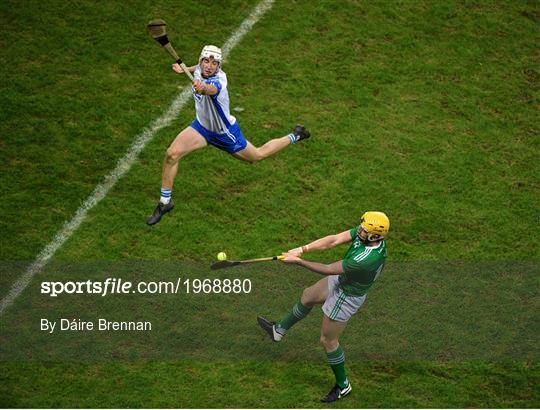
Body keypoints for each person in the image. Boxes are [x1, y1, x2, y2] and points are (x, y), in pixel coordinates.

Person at [147, 45, 310, 225]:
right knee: (172, 154)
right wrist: (185, 69)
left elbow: (210, 89)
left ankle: (296, 135)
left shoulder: (219, 82)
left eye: (214, 63)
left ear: (219, 66)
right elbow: (199, 69)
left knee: (256, 156)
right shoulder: (199, 70)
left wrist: (202, 88)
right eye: (206, 61)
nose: (209, 66)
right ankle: (165, 202)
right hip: (201, 128)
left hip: (225, 133)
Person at [257, 211, 390, 402]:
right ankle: (278, 331)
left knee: (328, 341)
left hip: (347, 295)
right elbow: (334, 240)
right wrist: (301, 249)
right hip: (344, 279)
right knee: (308, 295)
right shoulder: (368, 235)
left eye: (363, 229)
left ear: (374, 236)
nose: (359, 230)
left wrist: (298, 262)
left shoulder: (366, 259)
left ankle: (343, 385)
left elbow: (328, 269)